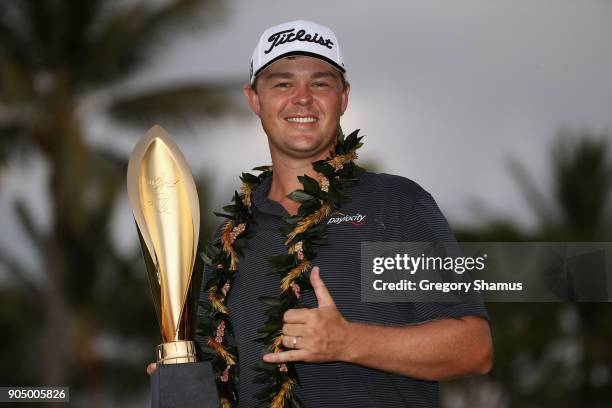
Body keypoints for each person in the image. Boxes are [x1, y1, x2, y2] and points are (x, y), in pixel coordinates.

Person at [149, 20, 492, 407]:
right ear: (255, 99)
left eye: (320, 83)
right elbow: (223, 376)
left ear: (343, 98)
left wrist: (349, 342)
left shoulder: (393, 205)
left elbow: (473, 348)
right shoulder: (231, 238)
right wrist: (183, 378)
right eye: (282, 83)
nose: (302, 98)